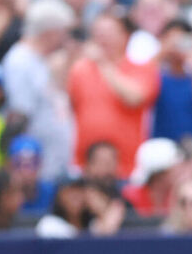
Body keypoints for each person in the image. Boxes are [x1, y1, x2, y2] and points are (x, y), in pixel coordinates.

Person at [68, 12, 161, 179]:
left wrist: (104, 64)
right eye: (98, 33)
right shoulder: (80, 69)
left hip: (126, 166)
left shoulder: (142, 68)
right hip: (85, 165)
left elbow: (135, 98)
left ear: (125, 35)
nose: (102, 39)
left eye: (109, 33)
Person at [2, 0, 76, 180]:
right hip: (36, 168)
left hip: (56, 165)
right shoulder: (19, 61)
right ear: (49, 32)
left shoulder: (43, 59)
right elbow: (20, 116)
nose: (65, 38)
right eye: (62, 32)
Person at [122, 138, 183, 217]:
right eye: (173, 168)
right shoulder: (131, 199)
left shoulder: (180, 196)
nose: (179, 171)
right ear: (160, 174)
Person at [6, 136, 56, 215]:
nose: (25, 171)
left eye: (33, 163)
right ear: (9, 166)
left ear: (41, 164)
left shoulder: (52, 193)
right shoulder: (3, 195)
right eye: (18, 163)